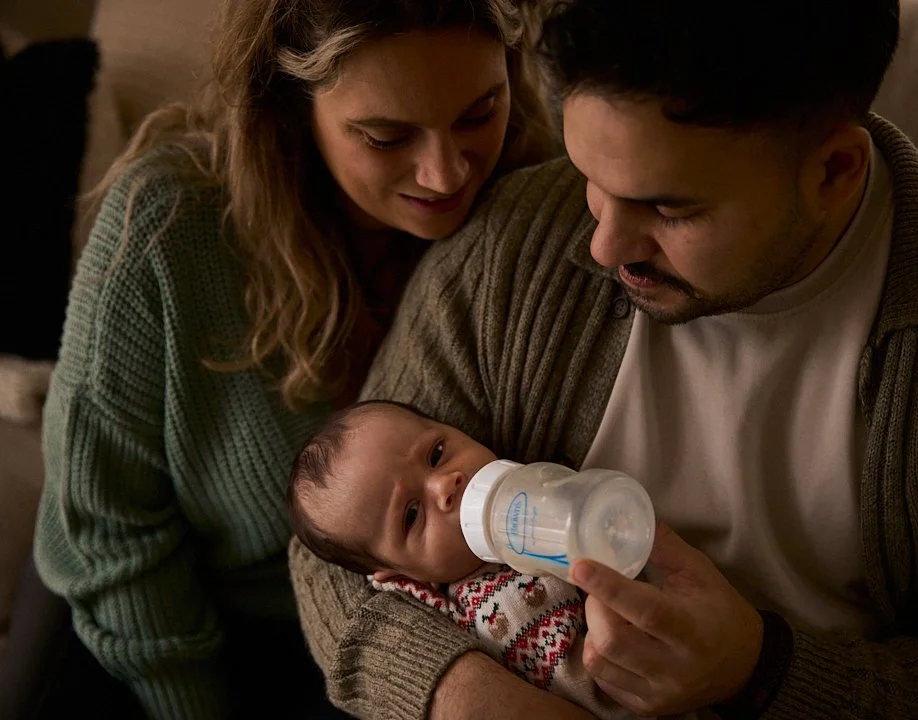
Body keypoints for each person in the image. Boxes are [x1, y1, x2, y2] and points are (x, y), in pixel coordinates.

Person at [289, 0, 918, 718]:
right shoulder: (511, 249)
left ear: (834, 171)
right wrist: (465, 699)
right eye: (591, 179)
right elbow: (336, 544)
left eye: (668, 207)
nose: (601, 244)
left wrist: (763, 672)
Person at [30, 1, 560, 718]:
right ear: (289, 107)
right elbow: (107, 531)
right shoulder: (169, 227)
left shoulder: (531, 209)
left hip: (420, 644)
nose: (444, 175)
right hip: (173, 637)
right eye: (385, 136)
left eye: (478, 114)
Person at [286, 399, 637, 719]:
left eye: (437, 453)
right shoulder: (439, 610)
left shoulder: (538, 495)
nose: (444, 485)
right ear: (401, 577)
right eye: (411, 516)